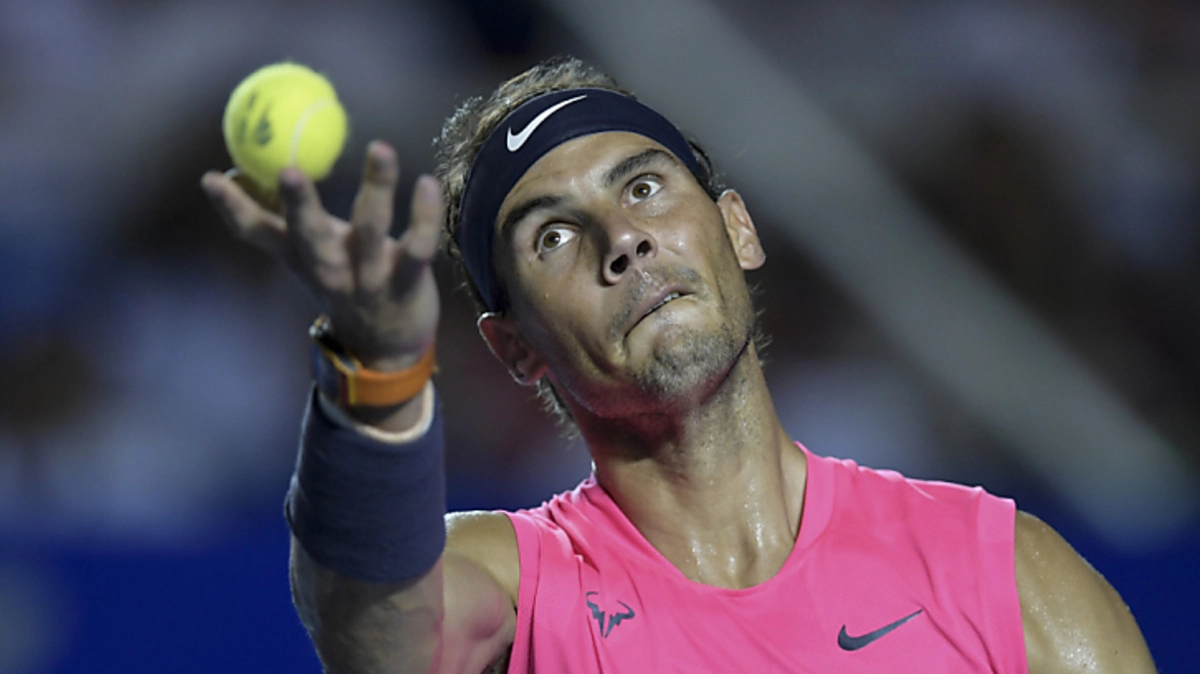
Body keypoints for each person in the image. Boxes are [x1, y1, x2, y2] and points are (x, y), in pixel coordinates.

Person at [201, 57, 1156, 673]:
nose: (622, 240)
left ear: (737, 228)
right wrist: (375, 369)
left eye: (646, 187)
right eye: (553, 237)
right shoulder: (515, 589)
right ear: (514, 348)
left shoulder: (1004, 573)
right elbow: (375, 631)